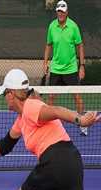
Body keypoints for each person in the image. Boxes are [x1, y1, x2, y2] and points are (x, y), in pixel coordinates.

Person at [43, 0, 88, 136]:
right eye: (59, 11)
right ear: (56, 12)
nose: (60, 13)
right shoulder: (52, 26)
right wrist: (45, 62)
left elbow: (80, 45)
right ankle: (48, 124)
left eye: (63, 11)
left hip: (71, 69)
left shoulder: (73, 27)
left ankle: (83, 124)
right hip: (56, 69)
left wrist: (82, 66)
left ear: (67, 12)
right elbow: (48, 45)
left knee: (77, 97)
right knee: (51, 98)